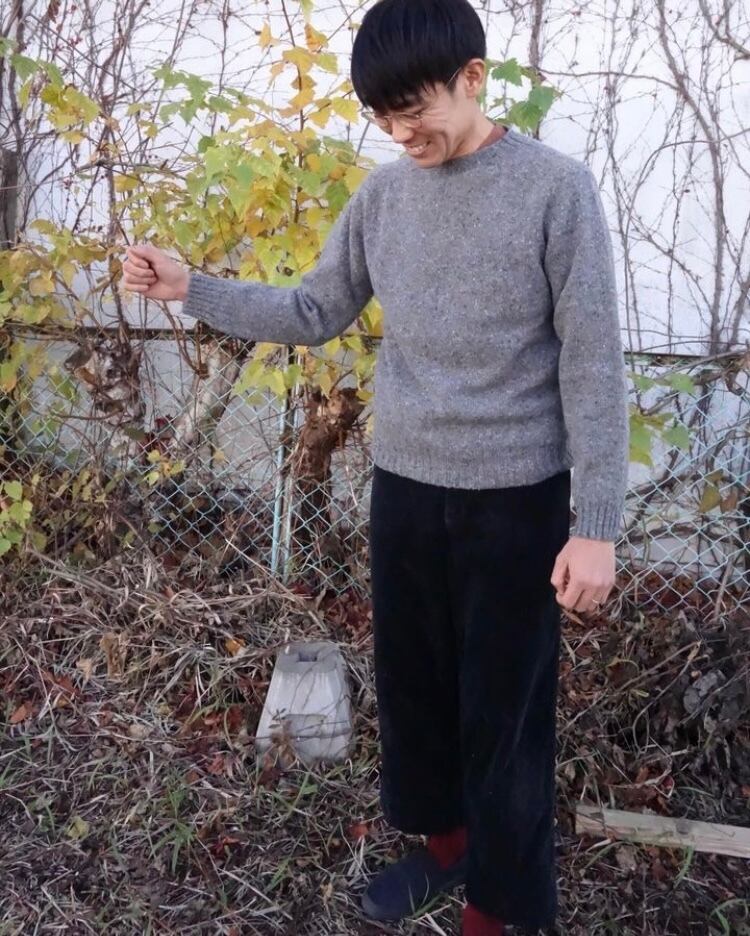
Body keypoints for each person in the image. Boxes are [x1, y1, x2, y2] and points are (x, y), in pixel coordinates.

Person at [122, 0, 630, 931]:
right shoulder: (384, 197)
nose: (401, 133)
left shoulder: (556, 190)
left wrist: (595, 526)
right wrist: (193, 287)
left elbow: (594, 361)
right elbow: (314, 311)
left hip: (517, 498)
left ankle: (505, 906)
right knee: (414, 690)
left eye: (414, 110)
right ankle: (448, 849)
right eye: (383, 117)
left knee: (504, 716)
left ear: (472, 79)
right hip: (405, 488)